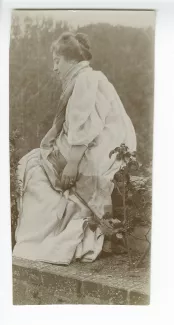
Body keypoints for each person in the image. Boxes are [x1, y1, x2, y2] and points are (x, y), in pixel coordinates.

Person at [13, 32, 136, 265]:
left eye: (57, 61)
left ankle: (45, 236)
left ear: (70, 59)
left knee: (32, 168)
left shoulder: (86, 80)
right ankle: (51, 229)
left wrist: (71, 163)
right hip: (96, 145)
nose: (55, 68)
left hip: (99, 150)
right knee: (33, 162)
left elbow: (85, 126)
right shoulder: (86, 77)